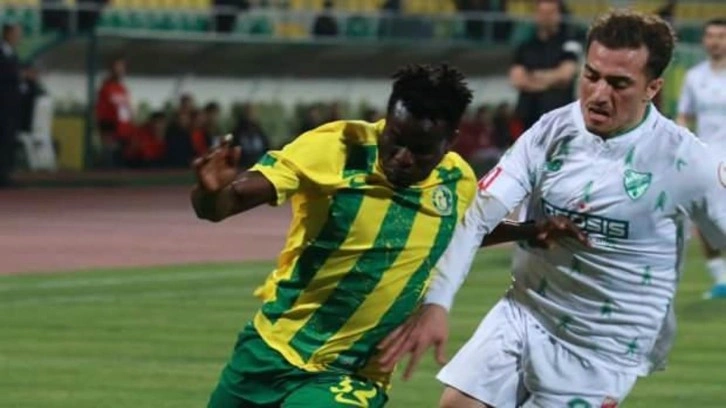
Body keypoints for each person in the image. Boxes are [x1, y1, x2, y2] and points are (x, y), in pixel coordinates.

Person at [378, 11, 726, 408]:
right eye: (591, 75)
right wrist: (437, 302)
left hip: (603, 346)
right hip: (525, 310)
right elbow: (476, 218)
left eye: (619, 84)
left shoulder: (686, 161)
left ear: (653, 88)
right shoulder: (551, 130)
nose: (598, 94)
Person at [192, 64, 584, 408]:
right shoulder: (338, 147)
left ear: (450, 141)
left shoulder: (456, 180)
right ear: (387, 117)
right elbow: (226, 203)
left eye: (421, 150)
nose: (402, 157)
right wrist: (210, 193)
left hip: (353, 373)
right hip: (270, 347)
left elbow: (461, 233)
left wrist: (529, 231)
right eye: (396, 139)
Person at [676, 18, 726, 299]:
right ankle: (721, 280)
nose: (715, 41)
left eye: (721, 36)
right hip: (708, 158)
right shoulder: (694, 77)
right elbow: (685, 115)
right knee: (704, 217)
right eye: (710, 35)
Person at [510, 0, 581, 130]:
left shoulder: (570, 43)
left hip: (560, 120)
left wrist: (533, 77)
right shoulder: (525, 46)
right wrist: (552, 80)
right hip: (528, 118)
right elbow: (517, 80)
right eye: (542, 13)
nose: (546, 17)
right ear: (536, 14)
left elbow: (565, 75)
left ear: (559, 14)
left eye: (551, 13)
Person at [95, 56, 134, 167]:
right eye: (117, 67)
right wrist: (106, 133)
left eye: (122, 67)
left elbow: (127, 111)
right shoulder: (106, 88)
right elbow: (102, 112)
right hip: (112, 133)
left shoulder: (123, 89)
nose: (120, 70)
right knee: (110, 164)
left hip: (125, 133)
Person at [0, 23, 22, 187]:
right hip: (2, 104)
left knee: (8, 139)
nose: (19, 37)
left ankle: (6, 173)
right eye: (16, 34)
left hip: (11, 105)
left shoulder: (13, 53)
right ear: (7, 34)